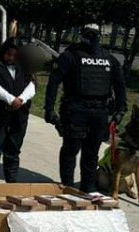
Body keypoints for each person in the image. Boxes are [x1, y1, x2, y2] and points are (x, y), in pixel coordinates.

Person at [44, 22, 127, 192]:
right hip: (75, 110)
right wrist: (49, 109)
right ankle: (67, 185)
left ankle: (87, 187)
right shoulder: (70, 56)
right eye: (89, 34)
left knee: (91, 151)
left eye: (94, 34)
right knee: (71, 148)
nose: (92, 37)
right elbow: (53, 82)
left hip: (99, 112)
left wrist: (121, 109)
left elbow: (120, 85)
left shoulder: (108, 58)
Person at [0, 37, 36, 183]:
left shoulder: (24, 65)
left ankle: (11, 183)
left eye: (14, 55)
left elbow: (31, 85)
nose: (11, 58)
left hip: (19, 115)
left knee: (13, 150)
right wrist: (11, 99)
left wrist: (21, 99)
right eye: (8, 54)